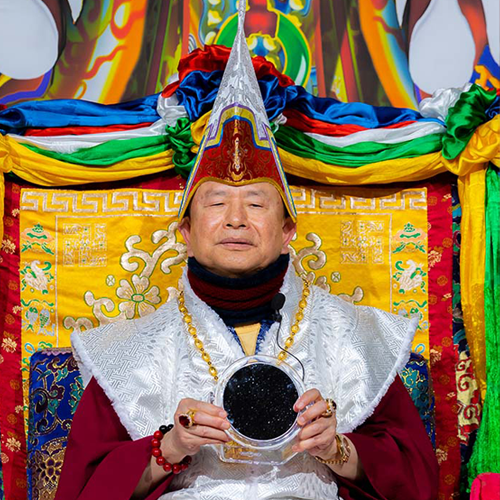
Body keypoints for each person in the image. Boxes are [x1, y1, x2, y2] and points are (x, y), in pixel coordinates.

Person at [55, 2, 439, 499]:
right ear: (185, 230)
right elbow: (83, 489)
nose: (236, 219)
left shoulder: (354, 338)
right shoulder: (129, 352)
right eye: (216, 202)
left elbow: (418, 482)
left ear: (287, 230)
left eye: (256, 203)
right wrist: (169, 447)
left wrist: (336, 449)